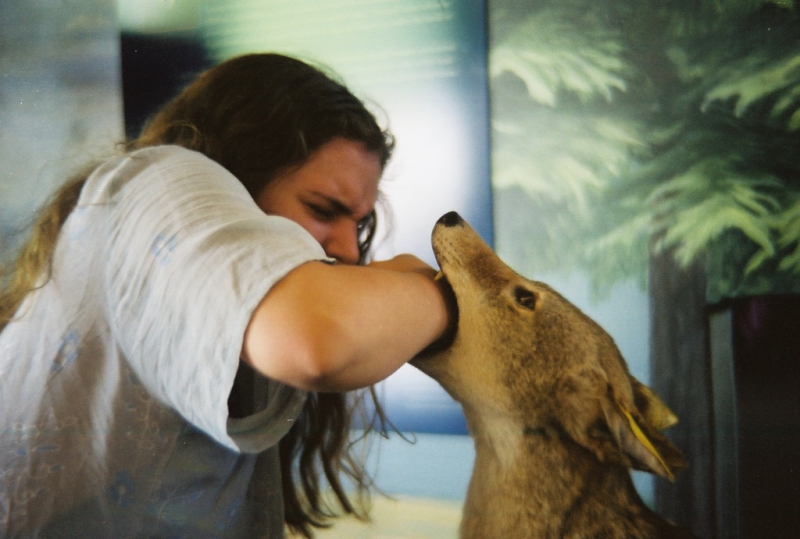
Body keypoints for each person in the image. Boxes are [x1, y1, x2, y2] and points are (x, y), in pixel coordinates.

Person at [0, 53, 454, 538]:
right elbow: (316, 339)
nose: (349, 250)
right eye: (323, 209)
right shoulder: (162, 179)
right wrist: (444, 291)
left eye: (359, 226)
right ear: (237, 173)